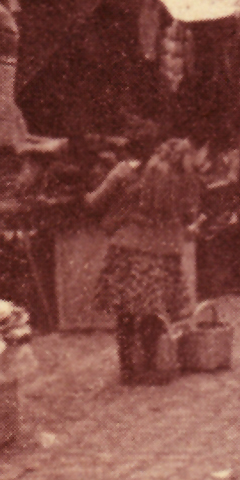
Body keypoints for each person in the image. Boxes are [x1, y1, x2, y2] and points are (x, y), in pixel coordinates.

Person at [89, 137, 202, 385]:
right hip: (158, 252)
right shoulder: (179, 177)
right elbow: (185, 215)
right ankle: (148, 365)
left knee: (127, 310)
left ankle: (128, 368)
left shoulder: (129, 171)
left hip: (126, 247)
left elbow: (94, 202)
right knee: (151, 310)